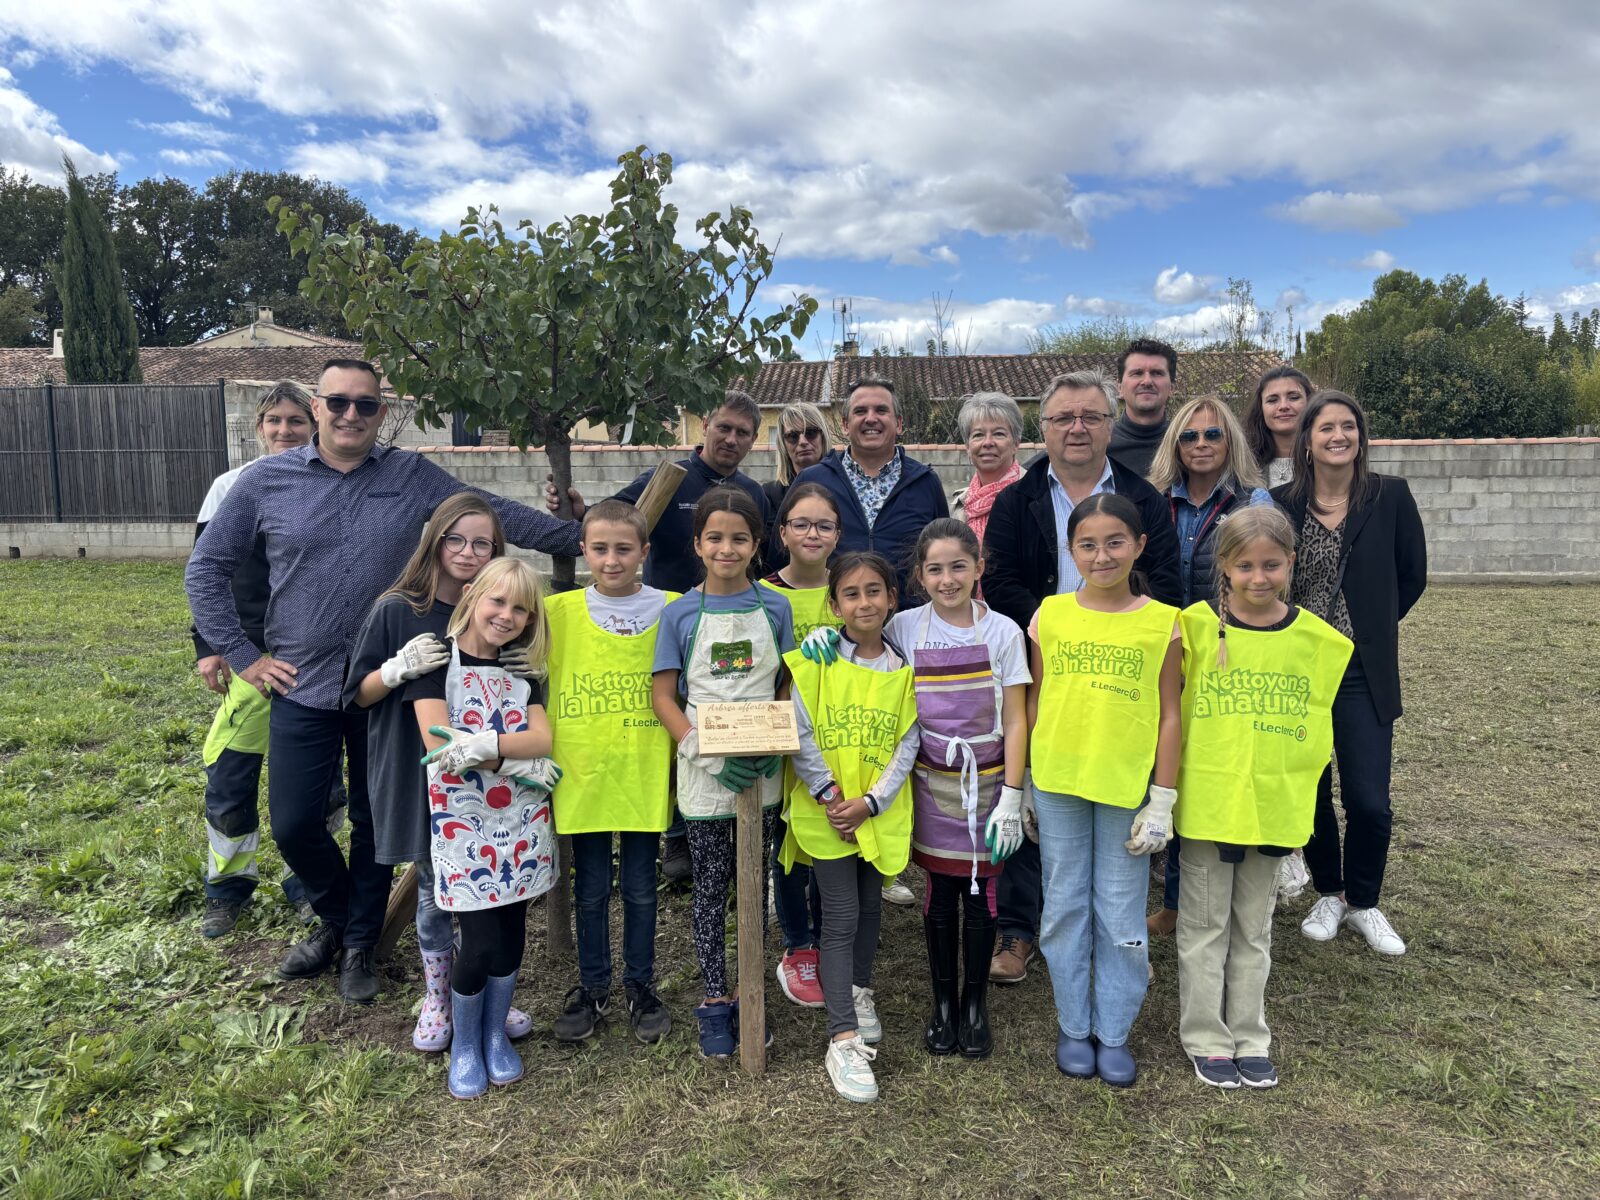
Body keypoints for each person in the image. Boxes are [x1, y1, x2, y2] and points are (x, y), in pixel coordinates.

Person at [186, 358, 580, 1004]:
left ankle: (360, 947)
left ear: (383, 412)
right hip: (301, 684)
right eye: (337, 402)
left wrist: (590, 534)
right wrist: (242, 653)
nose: (350, 415)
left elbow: (488, 515)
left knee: (375, 826)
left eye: (365, 405)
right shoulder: (264, 482)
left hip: (392, 685)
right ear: (317, 407)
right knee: (293, 823)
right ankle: (340, 920)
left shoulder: (409, 474)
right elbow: (206, 570)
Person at [980, 369, 1181, 984]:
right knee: (1031, 787)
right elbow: (1001, 579)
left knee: (1110, 791)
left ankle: (1108, 929)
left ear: (1110, 423)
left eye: (1090, 417)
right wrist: (1055, 625)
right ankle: (1017, 931)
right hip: (1042, 664)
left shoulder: (1144, 498)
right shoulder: (1018, 499)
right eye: (1063, 417)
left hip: (1120, 672)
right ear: (1042, 428)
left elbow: (1169, 581)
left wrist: (1115, 624)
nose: (1077, 428)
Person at [546, 390, 773, 887]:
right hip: (665, 621)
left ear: (754, 440)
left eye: (742, 433)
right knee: (669, 723)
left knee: (711, 714)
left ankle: (714, 829)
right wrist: (581, 509)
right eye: (724, 428)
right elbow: (616, 517)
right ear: (705, 426)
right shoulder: (669, 477)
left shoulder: (754, 493)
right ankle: (677, 835)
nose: (731, 439)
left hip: (723, 625)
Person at [344, 494, 534, 1051]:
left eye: (483, 543)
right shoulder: (398, 609)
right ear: (435, 541)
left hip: (487, 777)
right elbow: (356, 694)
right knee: (434, 886)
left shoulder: (501, 612)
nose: (468, 553)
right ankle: (440, 994)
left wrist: (525, 669)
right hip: (415, 762)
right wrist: (395, 669)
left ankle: (477, 987)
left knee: (484, 888)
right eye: (457, 539)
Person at [1174, 506, 1352, 1090]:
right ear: (1223, 566)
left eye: (1271, 564)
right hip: (1208, 807)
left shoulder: (1318, 642)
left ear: (1291, 562)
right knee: (1204, 927)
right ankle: (1205, 1035)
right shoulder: (1193, 627)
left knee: (1254, 928)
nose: (1258, 577)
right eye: (1244, 565)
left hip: (1273, 811)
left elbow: (1316, 736)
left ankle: (1250, 1032)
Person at [1027, 494, 1183, 1088]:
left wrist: (1163, 796)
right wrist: (1022, 786)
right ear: (1071, 551)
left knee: (1120, 912)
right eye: (1087, 544)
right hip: (1059, 781)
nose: (1102, 554)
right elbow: (1035, 698)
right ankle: (1074, 1024)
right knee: (1064, 904)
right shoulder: (1050, 614)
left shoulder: (1163, 621)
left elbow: (1171, 714)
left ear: (1140, 545)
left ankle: (1113, 1029)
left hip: (1125, 788)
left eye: (1116, 541)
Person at [1274, 391, 1427, 956]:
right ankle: (1331, 892)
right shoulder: (1282, 502)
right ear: (1307, 442)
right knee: (1311, 791)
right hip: (1297, 667)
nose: (1338, 436)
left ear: (1360, 437)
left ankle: (1365, 902)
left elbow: (1412, 575)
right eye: (1326, 428)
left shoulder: (1389, 496)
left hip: (1362, 668)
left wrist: (1371, 627)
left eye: (1348, 427)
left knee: (1368, 799)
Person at [650, 489, 795, 1059]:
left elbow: (783, 682)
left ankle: (753, 992)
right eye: (715, 537)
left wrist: (774, 744)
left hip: (762, 772)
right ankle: (715, 998)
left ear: (757, 544)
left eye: (739, 537)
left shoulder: (775, 609)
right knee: (711, 890)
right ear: (697, 544)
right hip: (707, 775)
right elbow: (665, 697)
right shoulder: (680, 614)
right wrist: (708, 753)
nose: (726, 547)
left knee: (754, 886)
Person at [409, 558, 561, 1099]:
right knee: (476, 939)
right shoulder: (434, 665)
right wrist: (510, 756)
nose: (507, 615)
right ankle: (466, 1043)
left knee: (514, 931)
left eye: (521, 608)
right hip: (462, 827)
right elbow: (439, 748)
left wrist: (488, 747)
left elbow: (541, 739)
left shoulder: (525, 672)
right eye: (498, 601)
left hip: (521, 823)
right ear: (471, 595)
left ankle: (496, 1035)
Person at [782, 552, 920, 1103]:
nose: (864, 603)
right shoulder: (812, 663)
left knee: (869, 908)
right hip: (827, 813)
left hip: (874, 812)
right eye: (852, 594)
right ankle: (841, 1036)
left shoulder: (904, 668)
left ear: (892, 598)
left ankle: (859, 992)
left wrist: (871, 802)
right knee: (838, 917)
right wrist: (831, 797)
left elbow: (909, 740)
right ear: (834, 604)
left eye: (874, 591)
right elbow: (802, 729)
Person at [191, 382, 320, 937]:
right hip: (250, 660)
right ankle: (228, 887)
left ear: (313, 425)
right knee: (231, 776)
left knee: (318, 790)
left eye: (296, 420)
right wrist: (209, 646)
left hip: (312, 662)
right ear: (259, 426)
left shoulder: (328, 486)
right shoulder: (229, 488)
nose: (285, 430)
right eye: (275, 420)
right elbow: (206, 572)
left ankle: (308, 884)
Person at [544, 501, 676, 1045]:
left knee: (643, 889)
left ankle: (640, 985)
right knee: (591, 888)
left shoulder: (672, 608)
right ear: (583, 551)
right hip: (584, 772)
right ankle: (593, 985)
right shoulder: (556, 613)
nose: (612, 560)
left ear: (645, 552)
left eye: (624, 549)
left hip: (643, 770)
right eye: (600, 549)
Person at [1143, 396, 1272, 936]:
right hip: (1166, 651)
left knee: (1214, 777)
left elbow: (1268, 575)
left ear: (1230, 442)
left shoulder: (1252, 500)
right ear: (1175, 443)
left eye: (1212, 435)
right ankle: (1175, 902)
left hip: (1228, 656)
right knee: (1170, 774)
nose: (1200, 445)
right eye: (1189, 436)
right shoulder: (1154, 501)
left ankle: (1231, 895)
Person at [762, 482, 842, 1009]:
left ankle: (837, 933)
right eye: (802, 524)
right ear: (784, 532)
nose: (813, 534)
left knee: (833, 840)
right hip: (782, 742)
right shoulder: (763, 593)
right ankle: (798, 944)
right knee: (790, 843)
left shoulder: (854, 585)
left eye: (825, 525)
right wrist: (794, 666)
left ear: (839, 535)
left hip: (842, 740)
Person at [1242, 366, 1318, 901]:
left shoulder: (1331, 460)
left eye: (1295, 396)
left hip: (1309, 614)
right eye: (1274, 398)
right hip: (1261, 606)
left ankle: (1298, 849)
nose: (1285, 405)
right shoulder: (1253, 467)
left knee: (1304, 741)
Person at [792, 376, 950, 599]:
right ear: (845, 425)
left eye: (881, 410)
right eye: (860, 411)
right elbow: (784, 554)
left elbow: (943, 556)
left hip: (909, 625)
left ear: (899, 423)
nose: (871, 418)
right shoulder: (812, 481)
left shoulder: (926, 483)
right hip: (829, 620)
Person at [951, 392, 1025, 546]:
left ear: (1016, 443)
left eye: (998, 434)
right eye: (978, 435)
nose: (988, 442)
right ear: (968, 446)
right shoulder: (959, 505)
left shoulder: (1035, 495)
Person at [1107, 338, 1178, 478]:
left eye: (1157, 373)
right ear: (1119, 388)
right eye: (1137, 373)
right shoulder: (1100, 445)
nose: (1147, 381)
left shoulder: (1186, 444)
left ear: (1172, 388)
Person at [1243, 366, 1313, 488]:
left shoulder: (1328, 461)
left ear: (1310, 401)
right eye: (1272, 400)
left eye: (1294, 397)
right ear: (1261, 408)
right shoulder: (1244, 466)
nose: (1283, 406)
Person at [762, 400, 833, 514]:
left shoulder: (844, 487)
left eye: (810, 433)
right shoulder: (769, 495)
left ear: (823, 437)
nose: (803, 442)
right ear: (783, 444)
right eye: (792, 436)